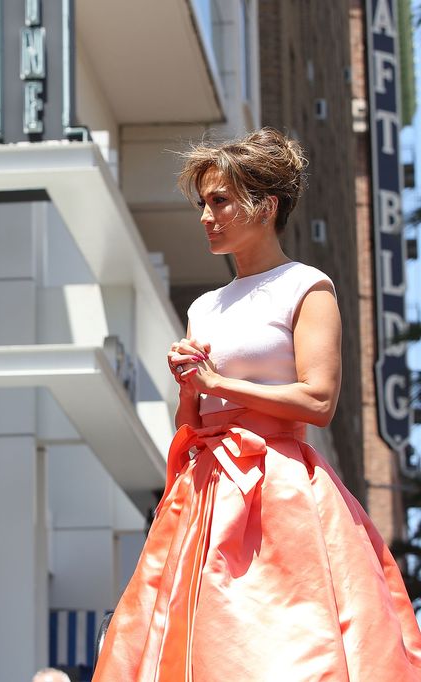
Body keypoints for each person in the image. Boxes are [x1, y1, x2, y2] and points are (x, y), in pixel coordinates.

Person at [92, 128, 421, 680]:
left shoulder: (307, 286)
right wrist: (191, 386)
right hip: (205, 488)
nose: (206, 217)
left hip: (280, 486)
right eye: (204, 203)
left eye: (220, 201)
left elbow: (318, 400)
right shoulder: (204, 306)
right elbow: (191, 420)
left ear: (265, 206)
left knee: (286, 641)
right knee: (192, 645)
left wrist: (219, 379)